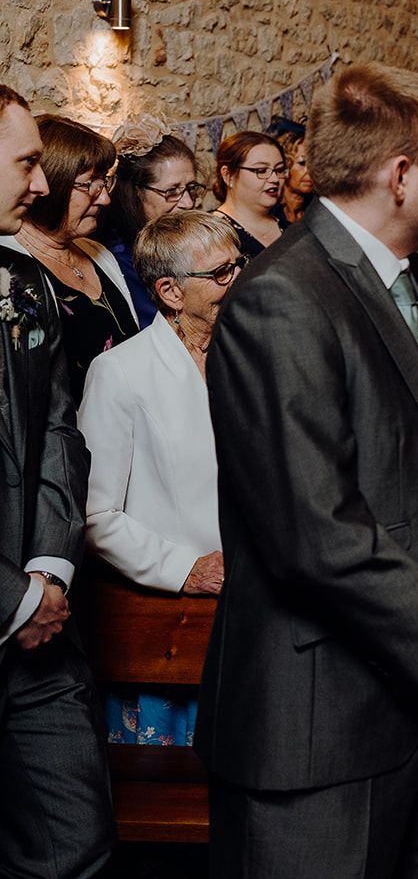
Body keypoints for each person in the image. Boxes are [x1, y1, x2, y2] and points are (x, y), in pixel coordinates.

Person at [197, 63, 418, 875]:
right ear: (400, 175)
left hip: (416, 708)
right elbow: (314, 527)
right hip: (318, 729)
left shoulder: (416, 279)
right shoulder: (283, 301)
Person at [0, 85, 115, 875]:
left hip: (42, 633)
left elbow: (57, 432)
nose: (39, 187)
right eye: (25, 164)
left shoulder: (26, 281)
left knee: (75, 838)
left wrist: (46, 570)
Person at [79, 211, 242, 746]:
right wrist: (185, 568)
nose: (237, 280)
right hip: (168, 622)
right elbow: (96, 516)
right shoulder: (121, 373)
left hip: (257, 609)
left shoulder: (253, 354)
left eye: (237, 265)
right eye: (220, 274)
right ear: (171, 291)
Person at [4, 114, 137, 400]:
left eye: (105, 182)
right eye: (90, 184)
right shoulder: (11, 272)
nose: (104, 198)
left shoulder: (97, 253)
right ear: (52, 185)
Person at [102, 114, 205, 327]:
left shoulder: (189, 240)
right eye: (172, 191)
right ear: (136, 192)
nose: (187, 202)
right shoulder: (121, 261)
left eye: (190, 188)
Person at [211, 130, 288, 258]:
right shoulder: (214, 235)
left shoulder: (288, 227)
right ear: (228, 175)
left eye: (279, 170)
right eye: (261, 171)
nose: (274, 179)